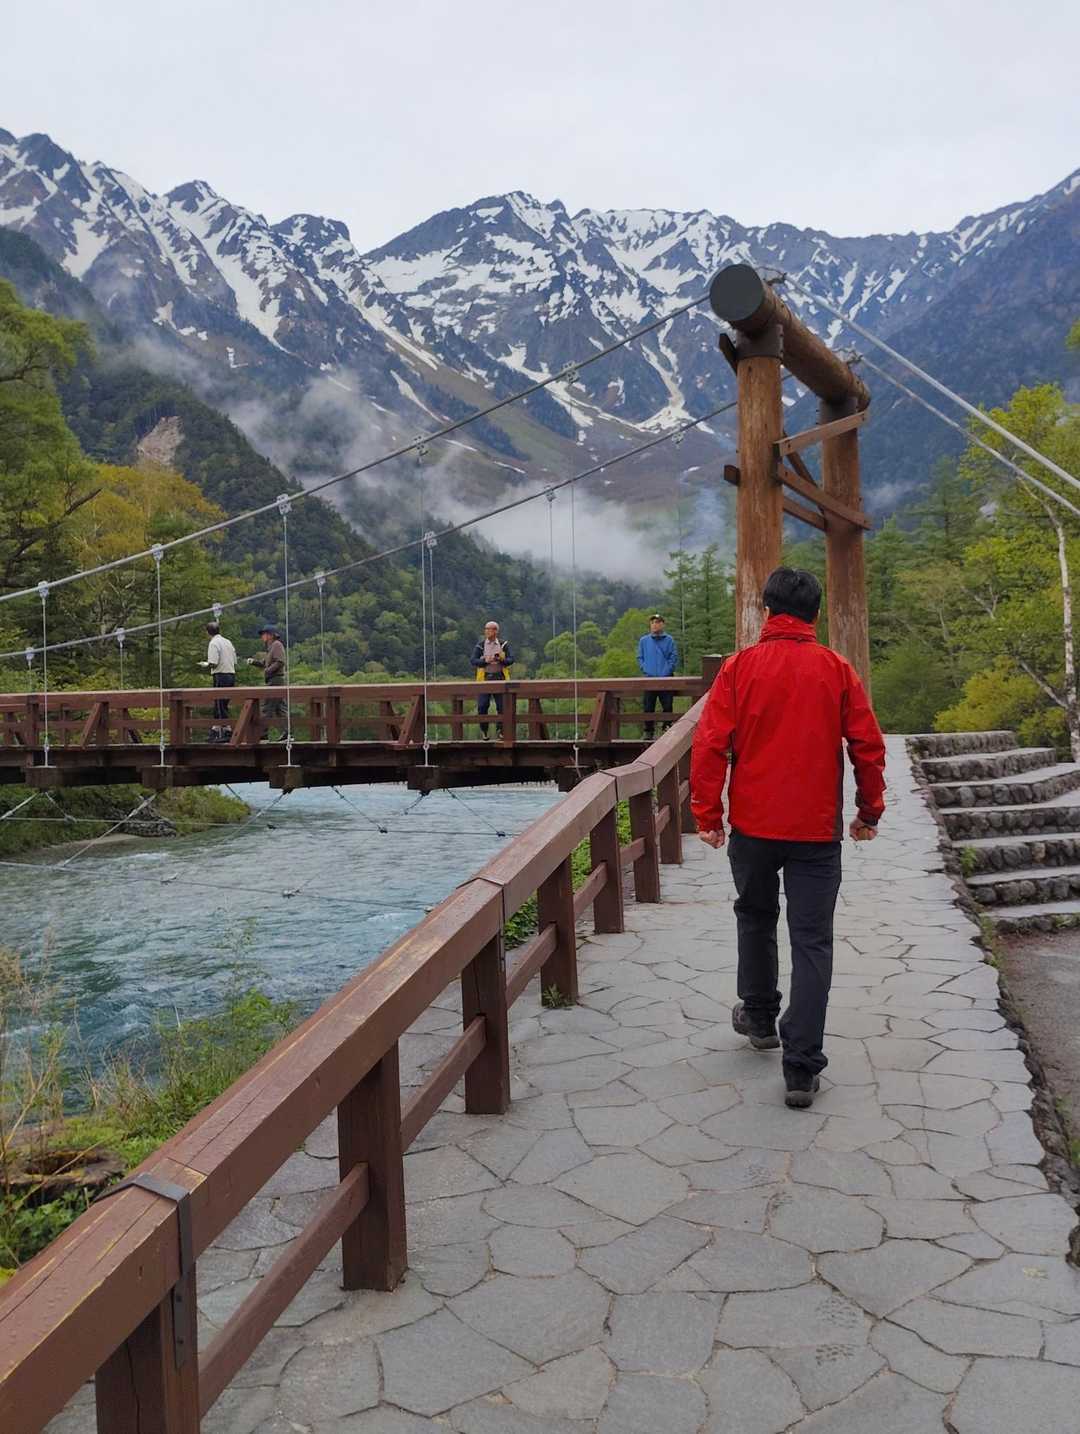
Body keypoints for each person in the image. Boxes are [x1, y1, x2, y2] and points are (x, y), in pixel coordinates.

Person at [690, 567, 886, 1110]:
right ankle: (801, 1067)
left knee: (755, 916)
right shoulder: (836, 669)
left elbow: (710, 744)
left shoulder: (738, 668)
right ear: (815, 614)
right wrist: (868, 811)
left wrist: (708, 814)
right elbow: (868, 745)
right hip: (816, 831)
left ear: (767, 610)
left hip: (753, 826)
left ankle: (759, 1018)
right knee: (812, 940)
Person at [637, 613, 678, 738]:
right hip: (649, 678)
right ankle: (648, 731)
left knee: (667, 705)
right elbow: (640, 657)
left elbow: (673, 657)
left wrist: (666, 672)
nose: (655, 625)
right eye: (653, 622)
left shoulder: (669, 640)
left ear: (663, 624)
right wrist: (645, 669)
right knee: (648, 706)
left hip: (666, 678)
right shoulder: (644, 641)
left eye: (658, 622)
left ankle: (667, 730)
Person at [471, 621, 513, 739]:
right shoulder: (480, 646)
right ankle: (484, 730)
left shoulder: (503, 644)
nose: (487, 631)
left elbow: (511, 659)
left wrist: (501, 660)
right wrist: (485, 661)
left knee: (502, 706)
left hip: (500, 677)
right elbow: (473, 660)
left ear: (496, 631)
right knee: (482, 706)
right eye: (486, 629)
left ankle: (501, 730)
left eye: (490, 629)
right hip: (484, 679)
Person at [247, 623, 287, 740]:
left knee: (267, 706)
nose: (262, 636)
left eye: (264, 634)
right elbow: (265, 663)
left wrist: (268, 670)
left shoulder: (276, 645)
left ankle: (262, 734)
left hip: (275, 679)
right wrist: (253, 662)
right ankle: (287, 733)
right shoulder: (271, 647)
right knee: (279, 708)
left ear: (270, 635)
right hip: (275, 679)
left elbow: (280, 661)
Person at [199, 621, 237, 743]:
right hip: (231, 674)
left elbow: (214, 662)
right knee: (223, 704)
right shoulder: (228, 642)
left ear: (207, 632)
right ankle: (216, 729)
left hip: (220, 675)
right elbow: (234, 660)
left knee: (220, 704)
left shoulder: (213, 643)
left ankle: (226, 731)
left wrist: (206, 664)